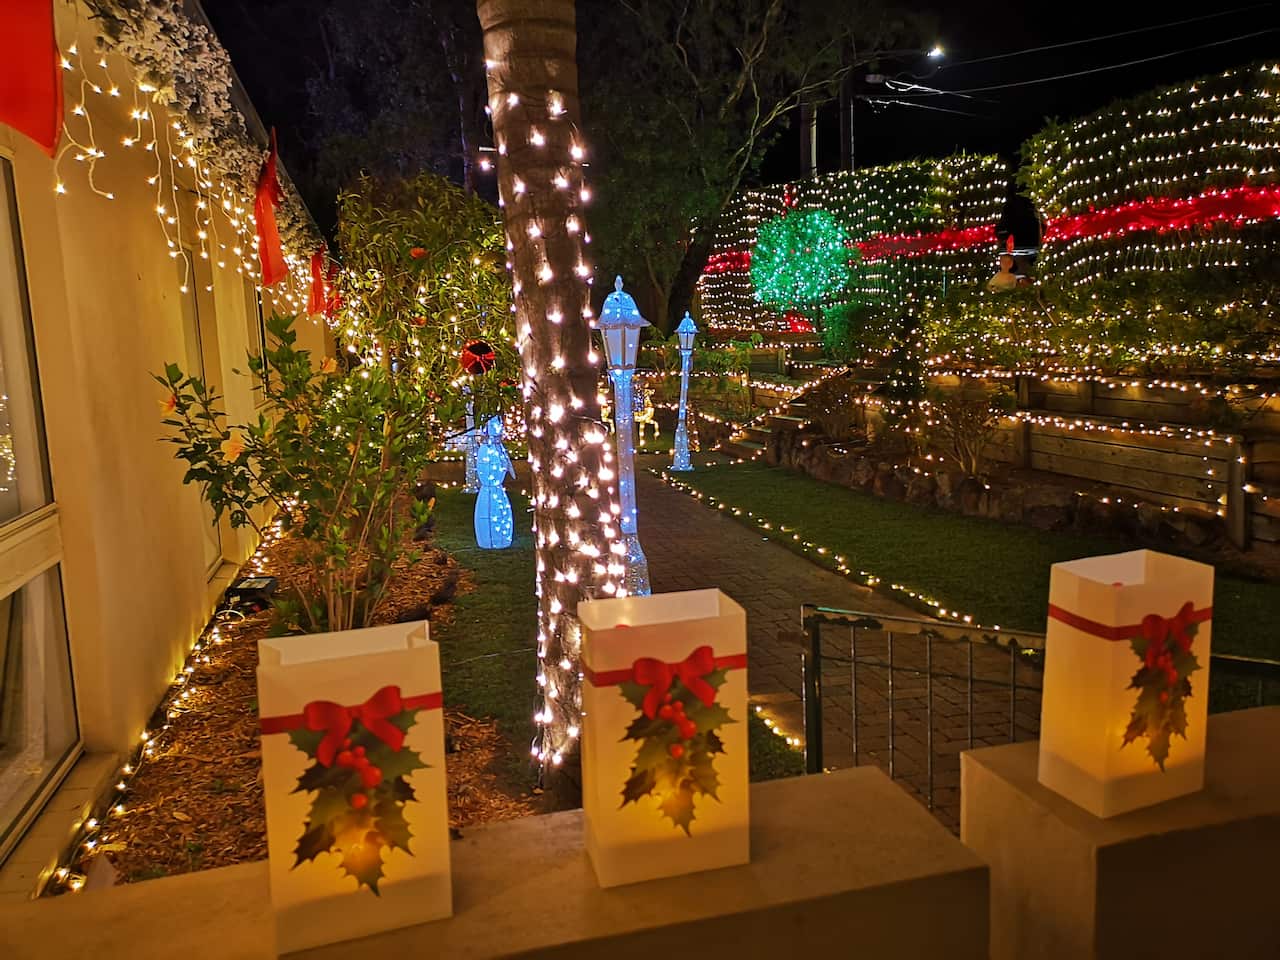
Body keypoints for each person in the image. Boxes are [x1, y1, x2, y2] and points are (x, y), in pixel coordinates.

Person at [473, 415, 515, 549]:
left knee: (498, 512)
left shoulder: (497, 448)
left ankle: (500, 538)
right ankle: (489, 539)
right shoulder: (485, 449)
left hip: (497, 490)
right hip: (488, 491)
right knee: (488, 513)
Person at [995, 181, 1045, 276]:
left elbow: (1002, 227)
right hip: (1030, 244)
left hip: (1016, 247)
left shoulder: (1009, 207)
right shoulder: (1031, 207)